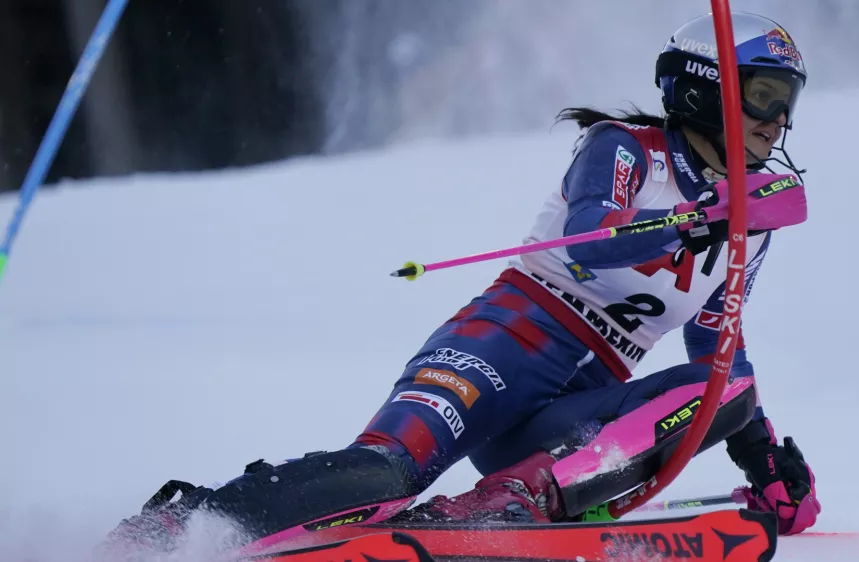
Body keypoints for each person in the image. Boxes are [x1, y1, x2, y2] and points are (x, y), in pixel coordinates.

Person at [106, 11, 821, 554]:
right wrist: (697, 220)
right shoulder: (625, 151)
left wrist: (761, 457)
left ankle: (507, 505)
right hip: (506, 343)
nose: (778, 120)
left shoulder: (749, 223)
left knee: (728, 387)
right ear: (705, 88)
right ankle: (187, 523)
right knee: (384, 476)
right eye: (763, 95)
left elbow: (717, 347)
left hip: (570, 417)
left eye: (787, 101)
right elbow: (591, 242)